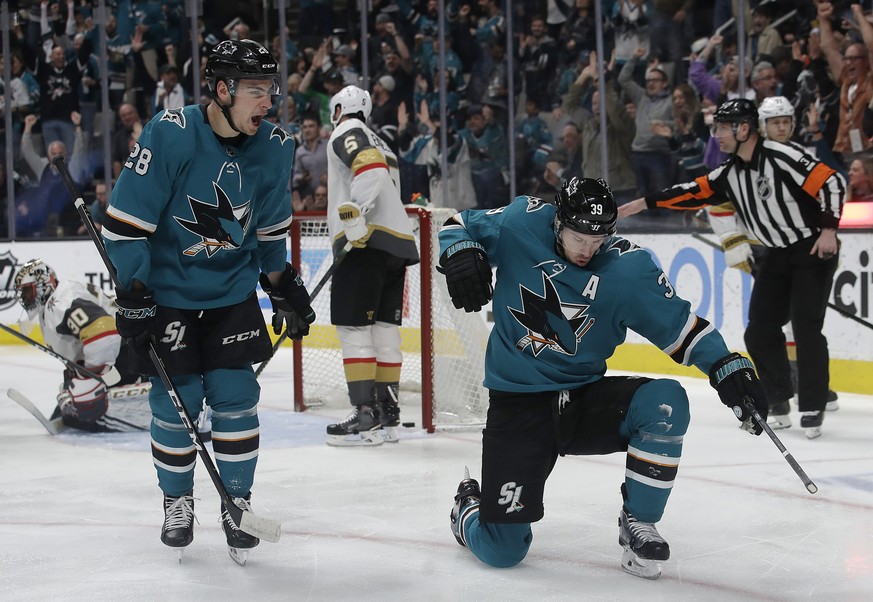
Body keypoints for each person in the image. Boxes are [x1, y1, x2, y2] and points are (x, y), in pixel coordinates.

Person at [439, 176, 769, 579]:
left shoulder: (628, 269)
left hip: (583, 398)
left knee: (665, 401)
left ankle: (639, 523)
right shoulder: (520, 221)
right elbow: (458, 221)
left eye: (597, 240)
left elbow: (684, 330)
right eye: (579, 237)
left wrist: (727, 369)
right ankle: (469, 507)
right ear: (558, 221)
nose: (587, 249)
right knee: (502, 550)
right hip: (518, 402)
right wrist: (459, 248)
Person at [101, 39, 316, 561]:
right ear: (222, 90)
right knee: (177, 404)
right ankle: (177, 502)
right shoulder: (170, 136)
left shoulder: (275, 146)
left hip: (230, 296)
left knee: (236, 398)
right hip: (169, 298)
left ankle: (236, 502)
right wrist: (132, 295)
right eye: (256, 92)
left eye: (271, 91)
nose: (268, 103)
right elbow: (126, 227)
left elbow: (267, 235)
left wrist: (282, 283)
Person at [619, 99, 846, 439]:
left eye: (722, 128)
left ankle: (812, 405)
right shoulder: (729, 173)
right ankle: (780, 397)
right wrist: (644, 202)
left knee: (806, 326)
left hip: (811, 248)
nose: (716, 136)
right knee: (759, 330)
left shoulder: (781, 157)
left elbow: (831, 182)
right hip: (775, 254)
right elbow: (693, 191)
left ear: (743, 129)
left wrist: (829, 229)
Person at [324, 85, 420, 446]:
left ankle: (365, 415)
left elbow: (369, 169)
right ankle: (388, 415)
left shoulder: (346, 131)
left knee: (354, 330)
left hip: (363, 242)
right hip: (395, 245)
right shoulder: (383, 142)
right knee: (384, 332)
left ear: (338, 109)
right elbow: (382, 171)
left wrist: (354, 215)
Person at [13, 259, 142, 432]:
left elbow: (104, 333)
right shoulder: (54, 303)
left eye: (28, 291)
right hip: (124, 349)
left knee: (87, 411)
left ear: (44, 283)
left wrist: (92, 377)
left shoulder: (60, 302)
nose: (26, 299)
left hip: (126, 353)